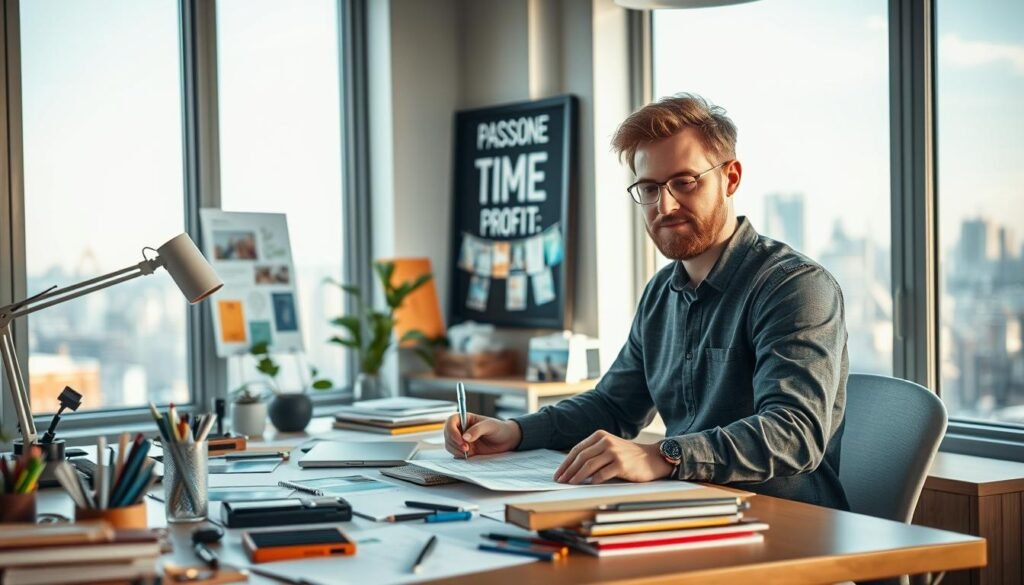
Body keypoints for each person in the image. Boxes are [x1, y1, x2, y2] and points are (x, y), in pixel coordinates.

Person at [444, 93, 850, 509]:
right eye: (650, 188)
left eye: (684, 182)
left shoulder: (794, 287)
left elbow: (795, 433)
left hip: (786, 523)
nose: (665, 205)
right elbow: (613, 405)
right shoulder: (661, 292)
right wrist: (516, 431)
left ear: (730, 178)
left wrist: (665, 455)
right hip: (689, 508)